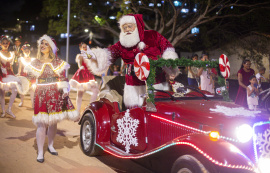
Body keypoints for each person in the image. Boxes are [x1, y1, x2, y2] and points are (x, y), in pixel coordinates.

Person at [86, 14, 179, 108]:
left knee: (160, 110)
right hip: (133, 85)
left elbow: (167, 46)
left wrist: (169, 59)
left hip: (156, 82)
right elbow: (109, 53)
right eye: (124, 27)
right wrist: (94, 55)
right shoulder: (122, 44)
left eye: (129, 26)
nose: (127, 29)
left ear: (137, 25)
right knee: (135, 112)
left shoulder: (152, 35)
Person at [24, 35, 79, 163]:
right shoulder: (35, 62)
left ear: (51, 47)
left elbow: (64, 79)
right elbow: (29, 77)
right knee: (42, 123)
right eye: (41, 43)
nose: (42, 45)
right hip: (41, 94)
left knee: (53, 122)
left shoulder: (58, 62)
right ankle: (40, 152)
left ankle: (50, 146)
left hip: (55, 93)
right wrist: (25, 82)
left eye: (46, 44)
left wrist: (65, 90)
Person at [69, 42, 99, 115]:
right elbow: (79, 63)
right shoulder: (80, 55)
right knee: (80, 93)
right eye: (83, 47)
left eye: (86, 47)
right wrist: (80, 67)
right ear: (80, 49)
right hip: (82, 74)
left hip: (89, 75)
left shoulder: (90, 56)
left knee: (95, 91)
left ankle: (89, 107)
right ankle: (78, 111)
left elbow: (94, 63)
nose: (85, 48)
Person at [0, 36, 21, 118]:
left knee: (15, 90)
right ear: (0, 44)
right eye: (3, 43)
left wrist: (13, 74)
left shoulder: (11, 54)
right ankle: (3, 111)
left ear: (8, 44)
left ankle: (9, 109)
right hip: (2, 75)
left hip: (9, 73)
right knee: (2, 94)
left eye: (6, 43)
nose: (5, 44)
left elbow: (11, 65)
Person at [17, 42, 35, 108]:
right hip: (23, 75)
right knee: (22, 89)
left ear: (30, 51)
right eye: (25, 51)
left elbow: (34, 68)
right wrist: (19, 73)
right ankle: (22, 101)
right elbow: (19, 67)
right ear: (23, 51)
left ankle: (33, 103)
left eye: (28, 51)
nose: (27, 52)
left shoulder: (32, 59)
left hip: (31, 76)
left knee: (32, 90)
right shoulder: (21, 59)